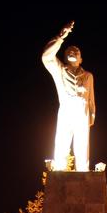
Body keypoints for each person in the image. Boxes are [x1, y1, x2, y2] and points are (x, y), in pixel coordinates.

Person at [41, 21, 95, 171]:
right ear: (64, 57)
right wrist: (60, 37)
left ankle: (83, 172)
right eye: (69, 51)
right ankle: (59, 170)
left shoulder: (88, 76)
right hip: (66, 108)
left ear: (81, 59)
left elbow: (91, 98)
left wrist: (91, 114)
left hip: (82, 111)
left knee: (82, 145)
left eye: (76, 52)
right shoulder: (59, 70)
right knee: (62, 142)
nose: (72, 52)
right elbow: (46, 57)